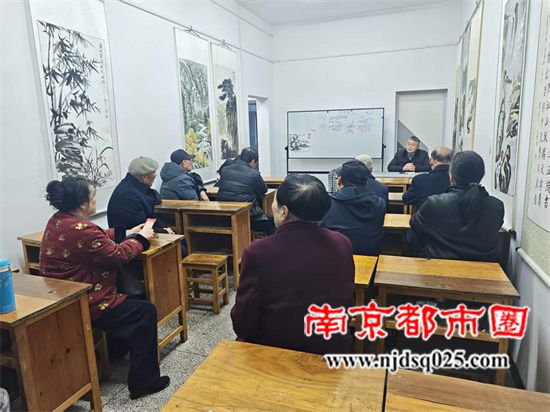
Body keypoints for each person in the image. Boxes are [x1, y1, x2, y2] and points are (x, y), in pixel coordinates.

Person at [40, 177, 170, 400]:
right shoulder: (83, 229)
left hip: (62, 297)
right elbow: (118, 255)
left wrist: (125, 232)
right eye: (92, 196)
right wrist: (142, 239)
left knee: (129, 304)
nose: (95, 200)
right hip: (86, 302)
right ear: (83, 203)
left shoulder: (59, 220)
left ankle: (115, 352)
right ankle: (144, 382)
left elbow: (96, 237)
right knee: (145, 311)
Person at [231, 174, 354, 354]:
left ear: (284, 212)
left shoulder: (258, 252)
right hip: (334, 346)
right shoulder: (342, 243)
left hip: (278, 352)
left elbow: (243, 322)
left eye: (275, 202)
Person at [409, 151, 504, 262]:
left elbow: (414, 225)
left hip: (438, 266)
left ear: (451, 177)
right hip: (484, 268)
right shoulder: (497, 206)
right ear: (481, 176)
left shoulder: (434, 203)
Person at [321, 160, 386, 256]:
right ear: (367, 182)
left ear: (340, 180)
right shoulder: (380, 204)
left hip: (337, 255)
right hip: (370, 255)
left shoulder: (328, 204)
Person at [108, 156, 173, 242]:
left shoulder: (136, 186)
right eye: (153, 172)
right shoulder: (128, 195)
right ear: (144, 177)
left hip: (142, 233)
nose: (155, 175)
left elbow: (150, 216)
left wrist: (164, 228)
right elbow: (140, 225)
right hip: (130, 239)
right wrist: (164, 231)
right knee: (180, 247)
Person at [217, 147, 275, 235]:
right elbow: (264, 190)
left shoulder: (225, 170)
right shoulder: (254, 174)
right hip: (248, 217)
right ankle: (269, 243)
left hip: (225, 216)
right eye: (256, 163)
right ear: (253, 161)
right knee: (273, 221)